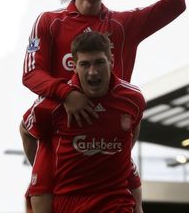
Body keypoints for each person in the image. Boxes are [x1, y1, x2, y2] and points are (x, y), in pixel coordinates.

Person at [21, 0, 186, 212]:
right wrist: (67, 94)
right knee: (25, 132)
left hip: (111, 131)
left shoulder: (122, 25)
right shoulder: (50, 22)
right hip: (63, 130)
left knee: (131, 196)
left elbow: (174, 5)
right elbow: (31, 74)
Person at [21, 31, 146, 213]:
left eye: (99, 63)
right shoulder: (53, 104)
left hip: (115, 201)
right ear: (74, 66)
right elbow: (26, 130)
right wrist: (44, 171)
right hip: (69, 201)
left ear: (111, 61)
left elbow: (133, 126)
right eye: (85, 64)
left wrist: (115, 155)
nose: (93, 72)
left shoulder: (133, 99)